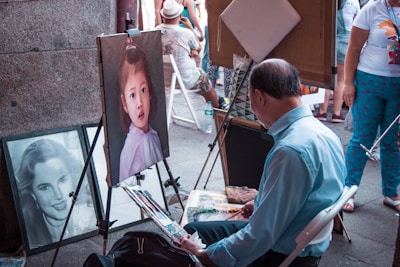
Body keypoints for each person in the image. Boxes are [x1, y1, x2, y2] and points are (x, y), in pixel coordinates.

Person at [179, 58, 346, 267]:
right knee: (193, 230)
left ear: (259, 96)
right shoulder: (324, 133)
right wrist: (262, 202)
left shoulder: (290, 150)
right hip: (301, 239)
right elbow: (309, 195)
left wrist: (208, 256)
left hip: (281, 253)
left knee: (184, 242)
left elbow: (260, 236)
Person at [342, 0, 400, 212]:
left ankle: (391, 192)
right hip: (368, 81)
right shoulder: (371, 9)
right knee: (362, 138)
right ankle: (349, 190)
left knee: (391, 140)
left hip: (398, 85)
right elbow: (353, 48)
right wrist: (348, 83)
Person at [15, 139, 96, 249]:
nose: (59, 195)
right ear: (33, 194)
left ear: (71, 178)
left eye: (62, 181)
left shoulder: (91, 220)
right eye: (45, 187)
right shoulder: (30, 235)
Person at [155, 0, 228, 109]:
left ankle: (218, 102)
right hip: (184, 80)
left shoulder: (155, 31)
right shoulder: (185, 33)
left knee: (202, 80)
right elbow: (198, 46)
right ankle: (217, 108)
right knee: (207, 85)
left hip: (162, 79)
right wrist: (190, 27)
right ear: (180, 16)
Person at [118, 38, 164, 182]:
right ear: (124, 103)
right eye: (132, 95)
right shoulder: (132, 149)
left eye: (143, 90)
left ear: (150, 92)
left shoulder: (153, 135)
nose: (139, 103)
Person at [315, 0, 360, 123]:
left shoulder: (329, 3)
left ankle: (322, 112)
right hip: (346, 42)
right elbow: (357, 23)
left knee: (325, 79)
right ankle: (336, 113)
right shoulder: (353, 2)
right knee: (341, 80)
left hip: (329, 41)